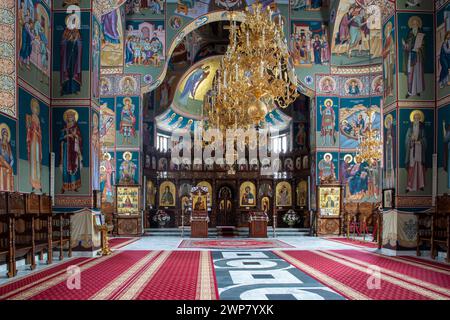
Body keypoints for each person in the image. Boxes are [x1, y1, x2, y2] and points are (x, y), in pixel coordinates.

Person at [59, 110, 83, 193]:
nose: (70, 118)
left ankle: (75, 186)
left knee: (75, 167)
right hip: (66, 149)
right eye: (68, 117)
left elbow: (80, 138)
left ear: (74, 118)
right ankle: (65, 186)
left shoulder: (76, 128)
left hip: (74, 149)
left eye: (72, 116)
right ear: (67, 118)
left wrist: (75, 135)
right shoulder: (64, 127)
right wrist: (67, 135)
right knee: (66, 167)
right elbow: (60, 138)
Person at [402, 16, 425, 99]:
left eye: (416, 24)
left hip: (418, 56)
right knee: (410, 73)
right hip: (411, 56)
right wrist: (405, 45)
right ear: (411, 25)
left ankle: (418, 90)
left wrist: (420, 48)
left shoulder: (420, 34)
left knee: (418, 73)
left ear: (418, 25)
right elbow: (407, 46)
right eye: (413, 24)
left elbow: (423, 45)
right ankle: (410, 91)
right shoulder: (410, 34)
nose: (415, 25)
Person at [405, 111, 427, 192]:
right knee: (412, 167)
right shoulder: (410, 128)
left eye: (418, 118)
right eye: (415, 118)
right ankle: (409, 186)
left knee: (419, 167)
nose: (416, 120)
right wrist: (411, 139)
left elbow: (424, 139)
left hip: (419, 150)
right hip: (412, 150)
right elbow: (407, 139)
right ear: (413, 119)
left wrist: (420, 141)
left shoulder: (422, 129)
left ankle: (421, 185)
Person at [26, 99, 43, 192]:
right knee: (33, 161)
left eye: (36, 108)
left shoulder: (38, 119)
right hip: (33, 141)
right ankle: (33, 182)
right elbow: (29, 129)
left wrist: (38, 132)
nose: (35, 109)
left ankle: (38, 182)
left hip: (37, 142)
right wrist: (32, 131)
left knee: (37, 161)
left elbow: (40, 131)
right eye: (34, 107)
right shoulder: (31, 117)